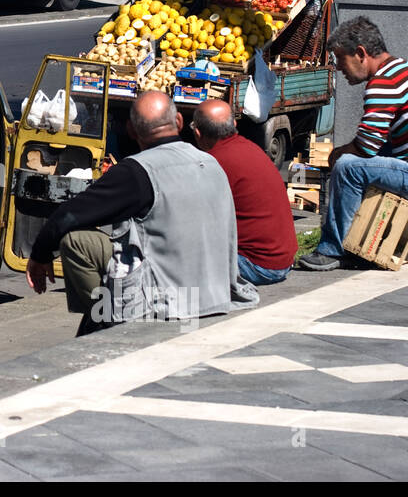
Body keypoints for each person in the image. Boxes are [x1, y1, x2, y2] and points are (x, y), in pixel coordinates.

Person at [27, 91, 255, 333]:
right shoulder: (211, 163)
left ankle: (104, 326)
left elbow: (68, 216)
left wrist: (40, 256)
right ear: (178, 121)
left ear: (131, 130)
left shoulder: (137, 171)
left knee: (75, 240)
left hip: (169, 305)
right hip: (216, 294)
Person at [297, 17, 408, 271]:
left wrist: (337, 154)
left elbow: (366, 146)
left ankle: (333, 249)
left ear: (361, 53)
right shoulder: (403, 69)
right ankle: (357, 238)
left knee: (348, 166)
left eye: (341, 59)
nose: (340, 68)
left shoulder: (384, 83)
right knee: (355, 162)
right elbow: (374, 142)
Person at [191, 100, 296, 285]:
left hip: (257, 265)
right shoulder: (251, 148)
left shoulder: (213, 163)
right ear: (234, 124)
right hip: (282, 260)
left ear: (197, 133)